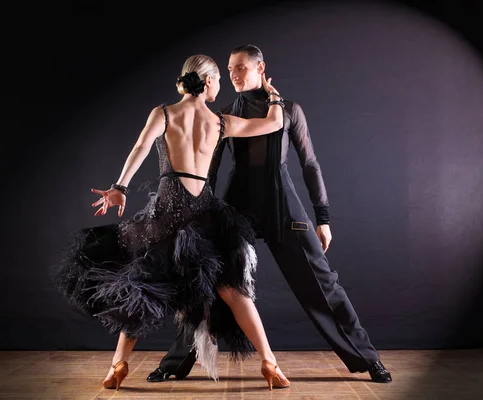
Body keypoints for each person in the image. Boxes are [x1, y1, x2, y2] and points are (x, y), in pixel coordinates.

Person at [147, 45, 393, 384]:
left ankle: (368, 359)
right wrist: (197, 217)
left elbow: (310, 164)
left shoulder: (289, 110)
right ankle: (175, 362)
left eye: (240, 68)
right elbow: (209, 171)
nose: (233, 74)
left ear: (260, 67)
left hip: (283, 206)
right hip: (236, 207)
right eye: (229, 69)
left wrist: (322, 217)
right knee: (208, 282)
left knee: (323, 285)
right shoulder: (225, 112)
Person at [52, 54, 292, 391]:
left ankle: (117, 365)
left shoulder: (164, 113)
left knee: (145, 288)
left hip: (168, 211)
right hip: (206, 214)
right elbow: (274, 123)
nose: (220, 85)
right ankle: (270, 363)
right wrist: (273, 94)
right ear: (208, 82)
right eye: (219, 80)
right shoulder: (221, 122)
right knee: (234, 291)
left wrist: (120, 188)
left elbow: (141, 146)